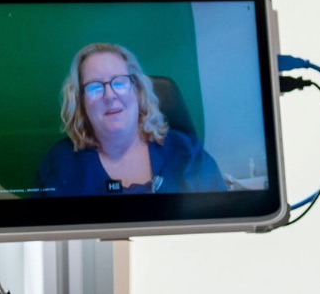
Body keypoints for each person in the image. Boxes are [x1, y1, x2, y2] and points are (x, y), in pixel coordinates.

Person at [36, 42, 225, 196]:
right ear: (81, 102)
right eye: (94, 87)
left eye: (119, 82)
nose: (109, 96)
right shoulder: (59, 164)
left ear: (138, 90)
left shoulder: (187, 153)